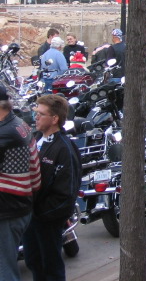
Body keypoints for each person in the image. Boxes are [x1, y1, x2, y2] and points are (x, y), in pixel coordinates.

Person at [23, 94, 81, 281]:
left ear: (55, 119)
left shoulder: (64, 148)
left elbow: (67, 192)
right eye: (35, 113)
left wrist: (43, 214)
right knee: (33, 261)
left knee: (51, 267)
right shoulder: (35, 139)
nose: (36, 118)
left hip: (46, 219)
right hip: (30, 216)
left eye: (41, 114)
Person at [0, 85, 41, 281]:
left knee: (4, 270)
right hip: (21, 205)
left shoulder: (5, 133)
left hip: (7, 210)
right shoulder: (19, 124)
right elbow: (35, 173)